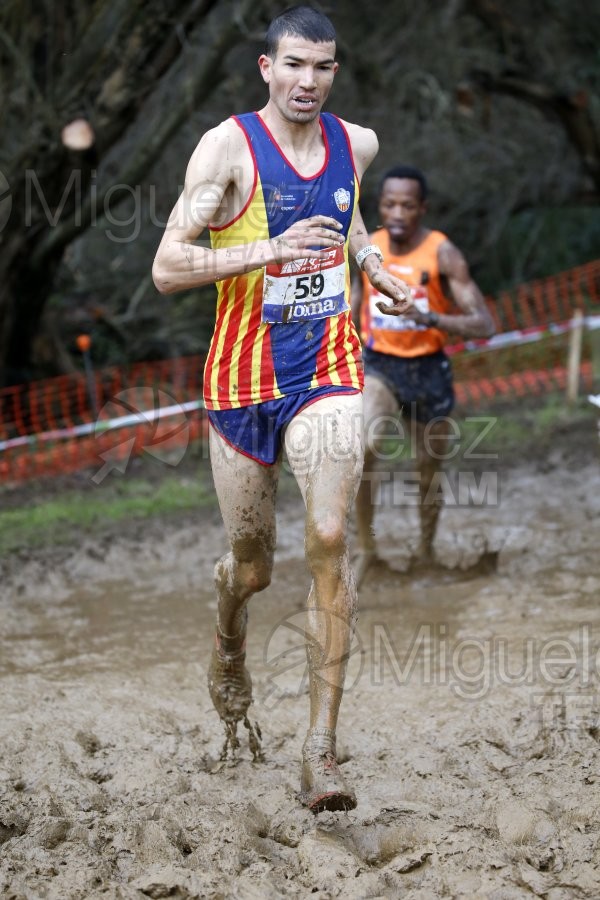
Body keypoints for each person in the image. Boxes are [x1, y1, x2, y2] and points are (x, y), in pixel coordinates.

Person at [152, 6, 411, 813]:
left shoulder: (356, 144)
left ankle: (320, 751)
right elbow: (166, 265)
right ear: (266, 68)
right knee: (254, 564)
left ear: (336, 71)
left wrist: (373, 262)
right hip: (240, 383)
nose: (308, 82)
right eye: (293, 65)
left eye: (323, 67)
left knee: (331, 537)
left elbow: (350, 215)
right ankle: (228, 629)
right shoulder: (227, 148)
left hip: (329, 368)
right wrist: (267, 248)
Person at [351, 165, 496, 585]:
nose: (397, 213)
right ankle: (368, 550)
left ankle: (426, 552)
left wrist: (427, 315)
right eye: (389, 204)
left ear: (422, 209)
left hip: (429, 369)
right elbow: (352, 300)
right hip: (379, 365)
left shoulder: (442, 253)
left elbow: (484, 323)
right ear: (379, 207)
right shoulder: (367, 249)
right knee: (362, 448)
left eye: (407, 205)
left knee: (428, 466)